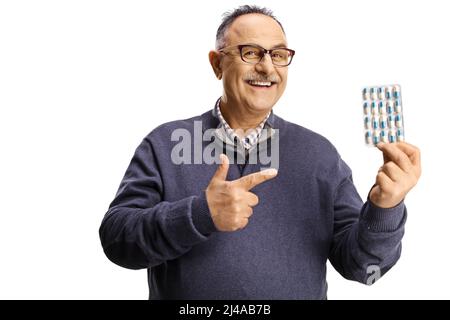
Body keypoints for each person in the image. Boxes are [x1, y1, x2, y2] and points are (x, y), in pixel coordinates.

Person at [99, 5, 421, 299]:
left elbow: (363, 269)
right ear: (217, 63)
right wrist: (200, 214)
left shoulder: (319, 155)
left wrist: (384, 207)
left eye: (279, 55)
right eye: (251, 52)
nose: (267, 67)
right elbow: (117, 241)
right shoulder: (167, 143)